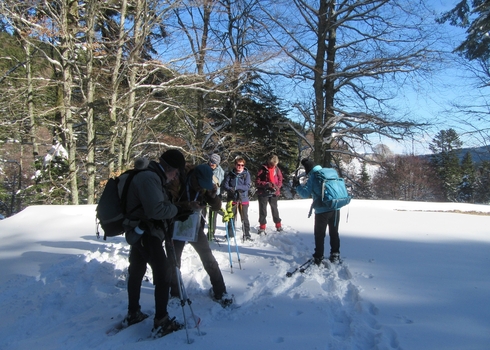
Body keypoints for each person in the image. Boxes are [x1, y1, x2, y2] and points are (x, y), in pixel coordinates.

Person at [118, 149, 187, 337]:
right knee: (163, 272)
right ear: (168, 167)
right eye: (176, 172)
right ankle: (161, 321)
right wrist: (175, 209)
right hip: (146, 231)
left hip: (140, 230)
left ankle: (134, 313)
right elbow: (156, 210)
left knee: (137, 270)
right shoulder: (150, 178)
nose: (175, 177)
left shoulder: (150, 176)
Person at [168, 164, 232, 306]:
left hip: (195, 226)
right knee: (174, 260)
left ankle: (220, 291)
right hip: (177, 225)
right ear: (194, 177)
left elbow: (216, 207)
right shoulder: (178, 181)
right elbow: (168, 204)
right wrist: (188, 205)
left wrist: (213, 196)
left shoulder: (205, 186)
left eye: (204, 185)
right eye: (199, 184)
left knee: (208, 257)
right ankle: (175, 293)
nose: (201, 188)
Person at [293, 158, 341, 265]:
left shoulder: (314, 177)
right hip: (336, 207)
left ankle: (319, 256)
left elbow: (305, 194)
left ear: (309, 170)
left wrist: (297, 185)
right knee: (334, 232)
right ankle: (335, 254)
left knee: (320, 234)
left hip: (322, 210)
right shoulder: (330, 172)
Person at [222, 156, 252, 241]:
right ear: (235, 165)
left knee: (244, 217)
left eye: (242, 165)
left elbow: (247, 186)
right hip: (233, 199)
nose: (240, 167)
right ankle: (230, 234)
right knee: (231, 217)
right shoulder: (231, 174)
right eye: (238, 165)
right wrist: (230, 189)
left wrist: (236, 187)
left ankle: (247, 234)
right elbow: (225, 185)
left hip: (243, 199)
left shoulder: (246, 174)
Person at [255, 154, 283, 234]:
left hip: (274, 192)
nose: (273, 165)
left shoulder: (277, 169)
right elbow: (257, 181)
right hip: (263, 192)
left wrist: (277, 187)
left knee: (275, 209)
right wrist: (266, 184)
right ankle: (262, 227)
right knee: (263, 210)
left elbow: (280, 179)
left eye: (275, 164)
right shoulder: (263, 169)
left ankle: (278, 225)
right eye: (272, 164)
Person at [206, 154, 225, 240]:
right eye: (210, 161)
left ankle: (211, 233)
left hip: (215, 196)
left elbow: (221, 184)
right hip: (204, 194)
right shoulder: (204, 169)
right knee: (203, 214)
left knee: (213, 215)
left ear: (217, 163)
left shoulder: (221, 171)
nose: (211, 164)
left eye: (214, 163)